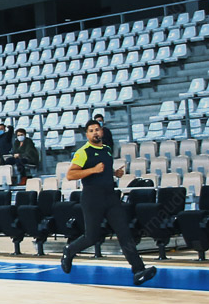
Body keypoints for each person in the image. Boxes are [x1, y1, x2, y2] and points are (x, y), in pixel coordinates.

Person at [60, 119, 157, 286]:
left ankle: (138, 270)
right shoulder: (83, 152)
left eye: (97, 130)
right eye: (91, 131)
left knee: (124, 233)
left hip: (111, 197)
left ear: (102, 132)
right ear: (87, 134)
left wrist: (114, 173)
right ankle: (69, 250)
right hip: (92, 198)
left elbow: (104, 168)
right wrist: (93, 170)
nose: (95, 133)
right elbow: (71, 175)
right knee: (92, 237)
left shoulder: (106, 149)